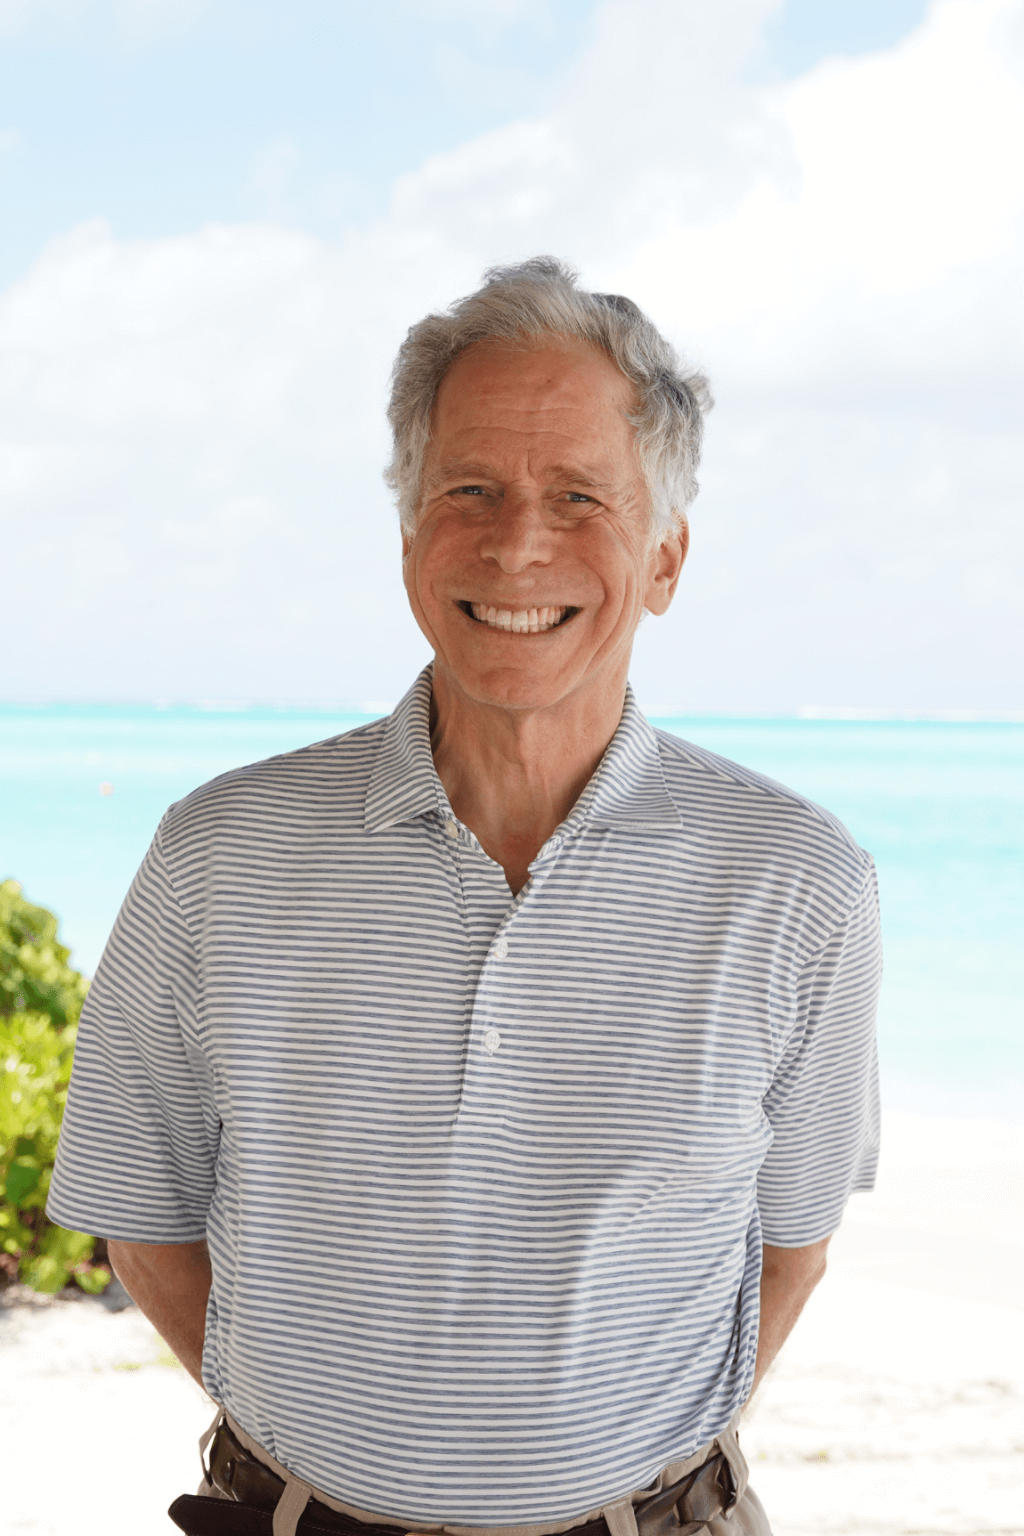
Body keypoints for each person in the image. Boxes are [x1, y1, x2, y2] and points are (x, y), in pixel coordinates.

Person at [48, 257, 881, 1536]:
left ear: (665, 558)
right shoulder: (217, 852)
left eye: (579, 497)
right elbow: (143, 1224)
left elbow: (791, 1250)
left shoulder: (799, 881)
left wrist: (601, 1487)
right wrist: (339, 1469)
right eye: (469, 490)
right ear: (408, 540)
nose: (517, 543)